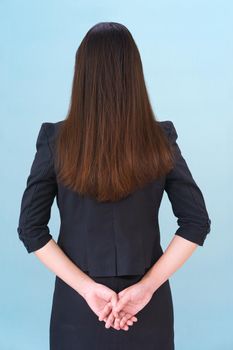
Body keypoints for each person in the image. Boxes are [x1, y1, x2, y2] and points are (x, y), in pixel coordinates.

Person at [17, 22, 211, 350]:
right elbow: (196, 223)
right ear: (134, 73)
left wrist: (86, 289)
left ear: (82, 75)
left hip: (78, 309)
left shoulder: (55, 141)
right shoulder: (160, 140)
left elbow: (31, 229)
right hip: (146, 309)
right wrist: (147, 287)